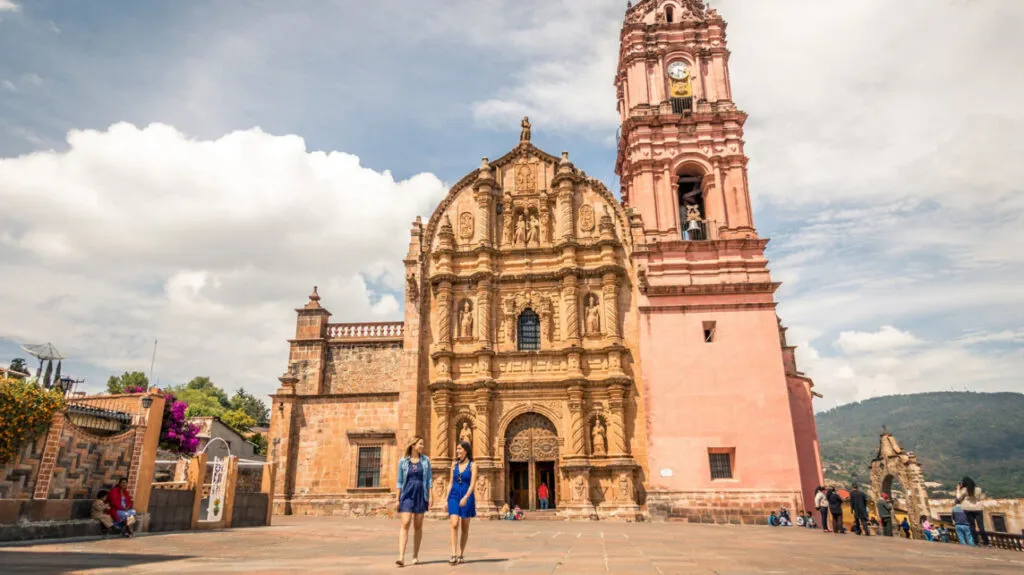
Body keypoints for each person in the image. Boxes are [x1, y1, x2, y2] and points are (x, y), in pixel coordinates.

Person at [396, 436, 431, 567]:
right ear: (413, 445)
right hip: (407, 493)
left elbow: (429, 481)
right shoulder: (403, 461)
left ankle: (415, 555)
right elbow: (399, 481)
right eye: (420, 444)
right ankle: (401, 556)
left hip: (420, 493)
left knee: (418, 525)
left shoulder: (426, 461)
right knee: (405, 522)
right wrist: (397, 498)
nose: (422, 446)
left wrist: (430, 497)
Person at [446, 441, 476, 566]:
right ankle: (453, 554)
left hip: (466, 496)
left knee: (464, 527)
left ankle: (461, 553)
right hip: (454, 495)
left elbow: (473, 484)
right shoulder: (454, 465)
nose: (457, 451)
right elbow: (450, 483)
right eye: (457, 449)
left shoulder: (473, 465)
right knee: (454, 523)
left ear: (466, 450)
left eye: (459, 449)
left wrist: (466, 497)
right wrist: (446, 499)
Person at [955, 476, 988, 545]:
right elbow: (977, 497)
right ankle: (986, 542)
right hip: (978, 508)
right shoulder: (978, 489)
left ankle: (976, 541)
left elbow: (958, 498)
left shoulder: (964, 490)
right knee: (981, 526)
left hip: (968, 509)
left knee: (972, 525)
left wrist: (958, 489)